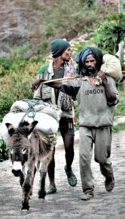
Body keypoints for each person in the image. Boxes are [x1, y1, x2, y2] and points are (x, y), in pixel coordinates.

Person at [32, 47, 119, 201]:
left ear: (98, 62)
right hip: (86, 125)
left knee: (101, 159)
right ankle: (88, 190)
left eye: (93, 61)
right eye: (87, 62)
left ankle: (109, 176)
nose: (90, 64)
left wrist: (104, 82)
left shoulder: (109, 79)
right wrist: (44, 82)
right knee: (84, 158)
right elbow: (61, 85)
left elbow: (113, 99)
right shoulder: (80, 81)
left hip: (103, 126)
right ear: (84, 64)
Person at [33, 39, 77, 194]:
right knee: (49, 150)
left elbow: (76, 91)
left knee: (69, 147)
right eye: (67, 51)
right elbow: (37, 96)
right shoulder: (44, 70)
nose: (70, 53)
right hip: (49, 116)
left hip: (66, 114)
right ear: (59, 52)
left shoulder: (72, 71)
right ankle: (51, 183)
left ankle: (68, 168)